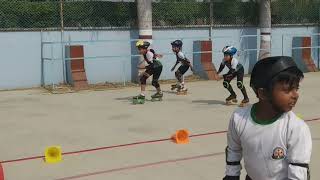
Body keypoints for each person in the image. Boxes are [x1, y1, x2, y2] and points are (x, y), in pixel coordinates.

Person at [223, 56, 312, 180]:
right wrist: (231, 176)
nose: (295, 95)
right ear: (263, 93)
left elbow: (298, 173)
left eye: (296, 88)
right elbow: (233, 151)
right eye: (287, 90)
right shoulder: (239, 118)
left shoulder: (297, 128)